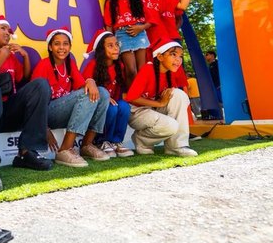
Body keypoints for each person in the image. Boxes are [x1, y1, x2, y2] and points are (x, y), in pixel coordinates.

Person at [0, 16, 53, 192]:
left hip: (10, 111)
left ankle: (26, 153)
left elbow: (23, 78)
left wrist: (25, 56)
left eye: (9, 30)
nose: (8, 33)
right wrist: (1, 57)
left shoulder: (11, 57)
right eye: (3, 29)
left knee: (41, 84)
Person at [31, 28, 110, 167]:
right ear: (50, 47)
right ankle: (65, 149)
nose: (61, 48)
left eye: (65, 44)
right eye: (57, 44)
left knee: (102, 93)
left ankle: (86, 145)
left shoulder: (70, 64)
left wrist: (90, 81)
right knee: (87, 93)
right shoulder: (44, 65)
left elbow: (83, 86)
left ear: (70, 46)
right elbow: (33, 100)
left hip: (64, 113)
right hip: (47, 114)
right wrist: (45, 128)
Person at [125, 37, 198, 157]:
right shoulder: (148, 68)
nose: (178, 60)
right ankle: (141, 140)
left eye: (180, 56)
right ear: (159, 57)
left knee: (180, 95)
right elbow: (131, 98)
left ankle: (176, 146)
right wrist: (160, 104)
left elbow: (170, 101)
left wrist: (161, 104)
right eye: (173, 54)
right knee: (171, 126)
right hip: (137, 112)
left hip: (153, 109)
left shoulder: (171, 72)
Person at [81, 29, 134, 158]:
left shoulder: (119, 66)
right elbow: (84, 89)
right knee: (112, 108)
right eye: (110, 46)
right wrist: (104, 96)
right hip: (96, 107)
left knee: (124, 106)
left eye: (117, 44)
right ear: (101, 49)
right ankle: (101, 141)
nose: (116, 48)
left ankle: (115, 142)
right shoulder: (92, 65)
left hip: (113, 104)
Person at [103, 0, 149, 83]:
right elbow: (108, 24)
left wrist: (140, 28)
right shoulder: (111, 3)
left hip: (139, 32)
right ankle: (131, 97)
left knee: (142, 69)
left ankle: (142, 96)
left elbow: (148, 20)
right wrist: (110, 41)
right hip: (122, 34)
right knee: (131, 70)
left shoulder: (136, 0)